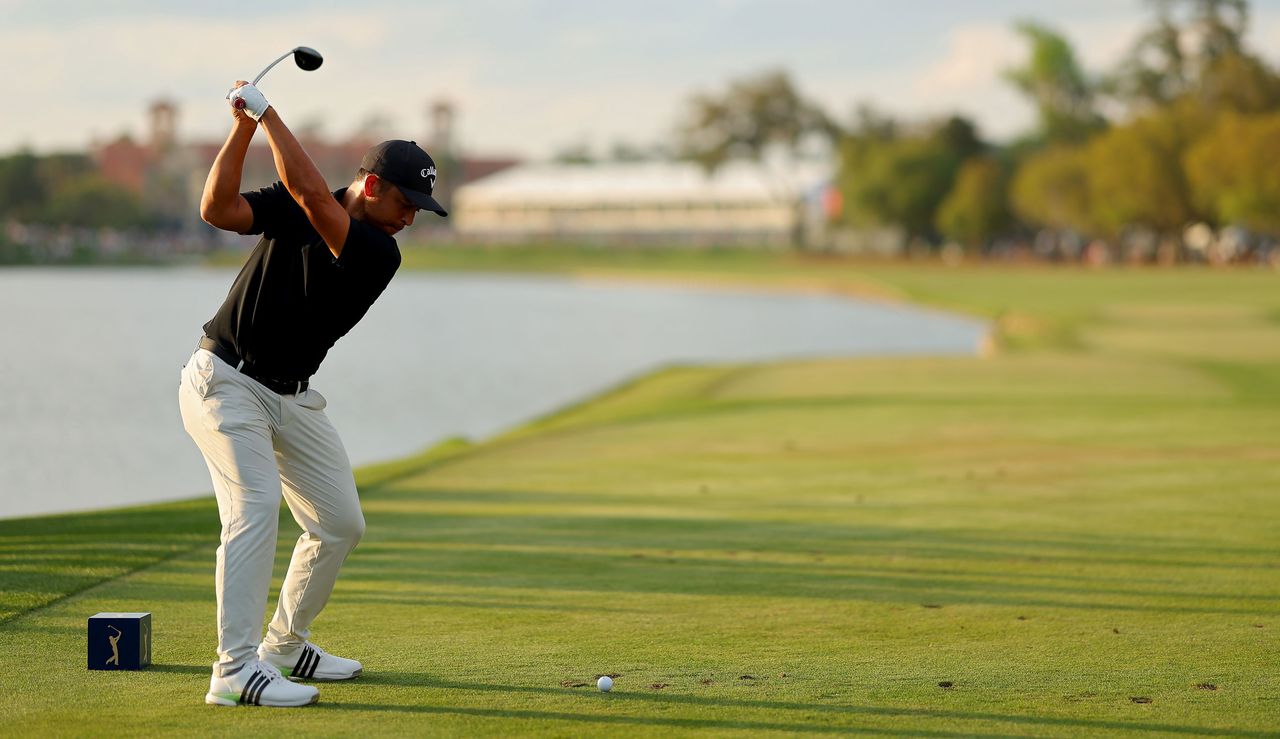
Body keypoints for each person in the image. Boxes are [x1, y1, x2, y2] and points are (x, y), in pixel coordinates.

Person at [180, 80, 447, 708]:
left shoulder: (380, 252)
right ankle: (234, 671)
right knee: (252, 511)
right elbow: (217, 210)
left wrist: (268, 112)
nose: (412, 218)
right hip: (224, 381)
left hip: (291, 398)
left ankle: (283, 645)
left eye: (420, 209)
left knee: (339, 523)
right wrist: (245, 125)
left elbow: (306, 191)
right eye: (407, 202)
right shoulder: (304, 201)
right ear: (372, 185)